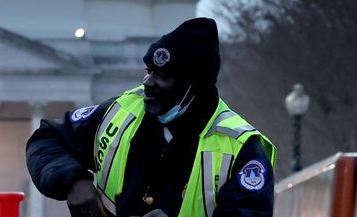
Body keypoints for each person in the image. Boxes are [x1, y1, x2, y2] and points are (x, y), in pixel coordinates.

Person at [26, 18, 275, 217]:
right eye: (149, 71)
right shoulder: (122, 111)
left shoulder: (242, 149)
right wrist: (74, 180)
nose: (148, 82)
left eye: (163, 76)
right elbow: (46, 139)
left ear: (195, 86)